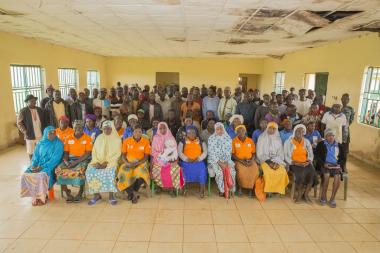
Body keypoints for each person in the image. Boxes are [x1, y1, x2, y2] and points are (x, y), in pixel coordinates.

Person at [21, 126, 64, 206]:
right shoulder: (40, 143)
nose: (52, 135)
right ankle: (34, 196)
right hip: (38, 165)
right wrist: (33, 165)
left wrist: (42, 167)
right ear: (45, 134)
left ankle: (42, 196)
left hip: (50, 166)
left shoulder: (58, 143)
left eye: (54, 133)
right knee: (27, 173)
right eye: (50, 133)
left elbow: (55, 159)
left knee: (41, 175)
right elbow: (35, 156)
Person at [55, 120, 92, 203]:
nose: (77, 128)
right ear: (73, 127)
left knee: (80, 171)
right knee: (58, 169)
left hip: (83, 159)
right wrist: (66, 161)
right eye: (76, 127)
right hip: (70, 160)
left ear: (83, 128)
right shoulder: (68, 138)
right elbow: (66, 153)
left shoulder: (88, 138)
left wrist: (75, 163)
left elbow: (87, 153)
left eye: (80, 127)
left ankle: (80, 192)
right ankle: (67, 192)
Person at [86, 121, 121, 205]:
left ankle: (111, 196)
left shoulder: (117, 139)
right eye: (105, 128)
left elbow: (117, 154)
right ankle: (96, 195)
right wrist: (97, 162)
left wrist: (107, 163)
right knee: (90, 171)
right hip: (98, 161)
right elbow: (94, 151)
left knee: (110, 172)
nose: (106, 130)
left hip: (111, 162)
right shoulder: (99, 138)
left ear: (112, 129)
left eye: (109, 128)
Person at [117, 124, 151, 204]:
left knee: (142, 174)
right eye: (135, 131)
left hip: (140, 162)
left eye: (139, 131)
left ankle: (133, 191)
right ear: (133, 132)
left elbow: (146, 157)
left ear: (142, 132)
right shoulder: (127, 141)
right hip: (128, 162)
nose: (137, 133)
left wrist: (138, 163)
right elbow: (123, 155)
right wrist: (126, 163)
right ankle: (132, 194)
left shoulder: (145, 141)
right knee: (123, 174)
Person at [284, 124, 315, 203]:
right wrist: (294, 162)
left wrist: (308, 161)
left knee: (312, 174)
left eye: (301, 131)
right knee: (300, 175)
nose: (300, 132)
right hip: (294, 164)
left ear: (303, 133)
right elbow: (286, 155)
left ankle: (306, 194)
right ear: (294, 131)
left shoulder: (306, 141)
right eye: (298, 131)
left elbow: (311, 154)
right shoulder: (288, 142)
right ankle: (299, 194)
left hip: (305, 163)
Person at [151, 122, 184, 195]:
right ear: (158, 129)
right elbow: (153, 151)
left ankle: (171, 188)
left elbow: (175, 150)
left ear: (167, 128)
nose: (162, 130)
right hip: (158, 160)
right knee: (156, 169)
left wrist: (172, 159)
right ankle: (159, 187)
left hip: (170, 160)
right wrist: (160, 155)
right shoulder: (155, 137)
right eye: (160, 128)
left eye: (164, 128)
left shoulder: (171, 137)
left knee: (175, 169)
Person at [257, 122, 289, 195]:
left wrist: (276, 161)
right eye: (270, 128)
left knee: (282, 171)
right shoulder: (262, 138)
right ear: (267, 128)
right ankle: (268, 191)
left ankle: (277, 189)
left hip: (276, 160)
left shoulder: (278, 139)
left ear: (276, 130)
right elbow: (259, 153)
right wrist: (269, 161)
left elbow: (281, 153)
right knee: (268, 172)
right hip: (264, 160)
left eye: (274, 129)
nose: (272, 130)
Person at [316, 129, 346, 208]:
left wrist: (339, 165)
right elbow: (317, 157)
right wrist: (324, 164)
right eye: (329, 136)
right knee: (326, 175)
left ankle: (332, 198)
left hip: (336, 165)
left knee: (338, 177)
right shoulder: (321, 144)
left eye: (332, 136)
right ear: (325, 137)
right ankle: (323, 196)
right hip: (325, 165)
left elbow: (343, 158)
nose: (331, 137)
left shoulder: (339, 145)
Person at [178, 126, 208, 198]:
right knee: (183, 171)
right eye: (189, 132)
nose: (191, 134)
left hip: (198, 161)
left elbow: (205, 152)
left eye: (193, 132)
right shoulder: (182, 141)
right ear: (186, 134)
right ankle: (184, 189)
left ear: (196, 133)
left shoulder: (201, 141)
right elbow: (179, 152)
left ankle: (202, 191)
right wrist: (186, 159)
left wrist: (199, 158)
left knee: (202, 171)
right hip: (187, 161)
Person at [207, 122, 236, 197]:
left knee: (232, 171)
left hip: (226, 160)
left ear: (223, 129)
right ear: (215, 130)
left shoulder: (228, 138)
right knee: (219, 173)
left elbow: (229, 151)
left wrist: (226, 162)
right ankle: (222, 190)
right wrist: (220, 163)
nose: (219, 131)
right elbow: (211, 153)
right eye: (217, 129)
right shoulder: (211, 139)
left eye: (221, 129)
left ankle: (231, 188)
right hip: (215, 161)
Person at [17, 94, 47, 159]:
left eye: (34, 100)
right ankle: (32, 164)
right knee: (31, 151)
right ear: (27, 102)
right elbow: (19, 123)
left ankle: (40, 163)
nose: (33, 102)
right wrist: (25, 131)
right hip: (30, 135)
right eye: (31, 101)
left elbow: (44, 121)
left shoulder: (40, 110)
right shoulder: (23, 111)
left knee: (41, 150)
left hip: (40, 134)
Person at [232, 125, 259, 196]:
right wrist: (241, 161)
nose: (241, 132)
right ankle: (240, 188)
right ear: (236, 132)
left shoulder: (250, 141)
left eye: (243, 130)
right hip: (239, 161)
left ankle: (250, 189)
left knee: (255, 170)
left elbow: (254, 153)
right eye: (239, 131)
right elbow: (232, 154)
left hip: (250, 160)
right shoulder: (234, 141)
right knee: (241, 172)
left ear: (245, 131)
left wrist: (251, 161)